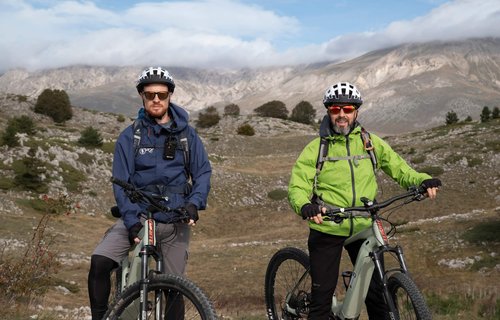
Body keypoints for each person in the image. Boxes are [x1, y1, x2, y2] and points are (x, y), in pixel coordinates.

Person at [288, 82, 441, 320]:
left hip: (362, 225)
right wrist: (306, 206)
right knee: (322, 302)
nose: (341, 115)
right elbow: (298, 185)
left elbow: (399, 168)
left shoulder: (370, 142)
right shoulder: (316, 148)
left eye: (347, 109)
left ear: (356, 112)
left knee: (376, 297)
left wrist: (422, 180)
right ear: (328, 111)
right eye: (335, 109)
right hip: (328, 226)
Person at [87, 66, 212, 320]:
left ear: (170, 96)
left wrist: (193, 205)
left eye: (162, 95)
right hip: (140, 215)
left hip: (175, 218)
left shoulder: (188, 135)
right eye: (150, 94)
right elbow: (121, 183)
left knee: (174, 286)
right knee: (100, 263)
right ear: (142, 97)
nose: (156, 99)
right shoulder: (130, 136)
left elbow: (202, 174)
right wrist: (132, 222)